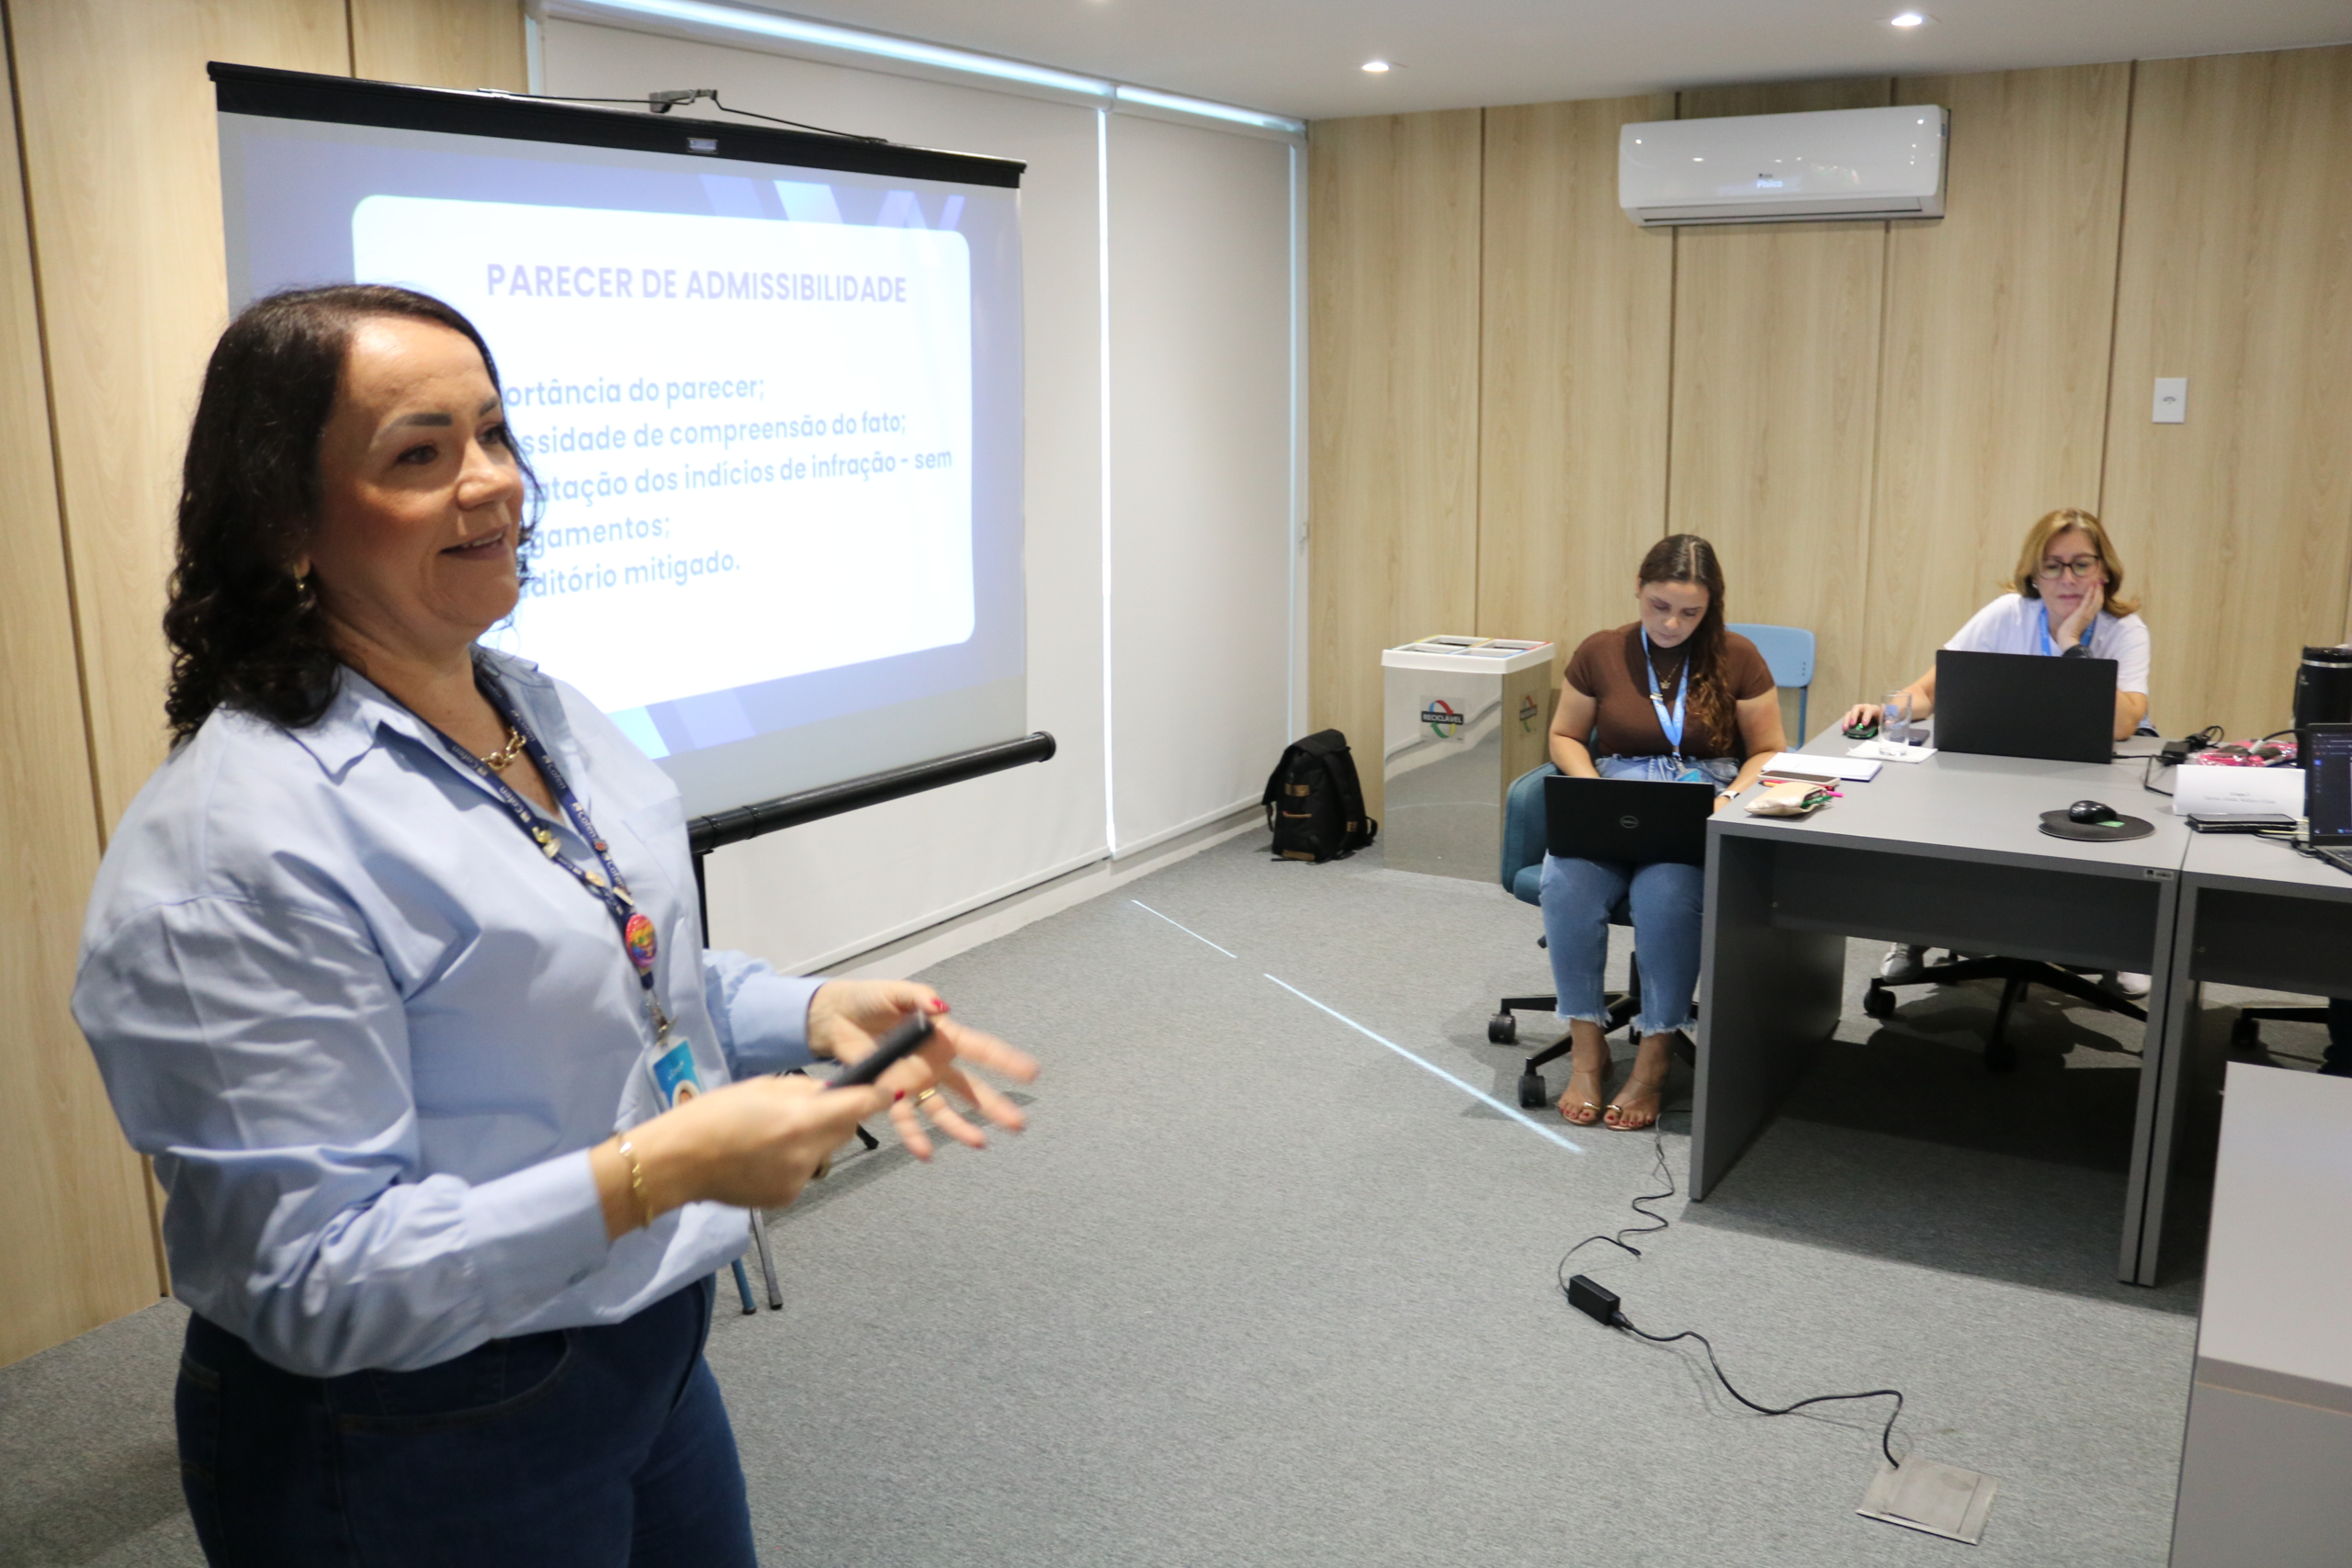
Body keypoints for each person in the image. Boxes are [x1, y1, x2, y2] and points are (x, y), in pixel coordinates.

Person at [71, 284, 1038, 1567]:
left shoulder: (534, 706)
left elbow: (603, 964)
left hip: (641, 1338)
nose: (492, 482)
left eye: (493, 432)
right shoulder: (238, 850)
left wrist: (803, 1009)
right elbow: (313, 1280)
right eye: (418, 455)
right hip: (408, 1423)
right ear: (286, 522)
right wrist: (661, 1169)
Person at [1839, 508, 2154, 993]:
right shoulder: (2008, 614)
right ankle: (1915, 933)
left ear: (2104, 571)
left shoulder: (2124, 629)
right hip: (1999, 768)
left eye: (2081, 564)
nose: (2067, 578)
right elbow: (1930, 690)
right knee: (1937, 809)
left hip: (2088, 778)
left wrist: (2071, 642)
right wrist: (1889, 710)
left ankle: (2112, 945)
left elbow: (2124, 723)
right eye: (2053, 565)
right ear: (2034, 573)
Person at [1541, 535, 1786, 1130]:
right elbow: (1565, 734)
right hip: (1615, 794)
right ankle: (1587, 1049)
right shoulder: (1601, 650)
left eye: (1690, 612)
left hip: (1698, 799)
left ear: (1711, 606)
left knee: (1668, 898)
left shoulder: (1738, 656)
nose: (1672, 623)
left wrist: (1728, 799)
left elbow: (1770, 750)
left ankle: (1654, 1058)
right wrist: (1591, 789)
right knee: (1565, 885)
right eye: (1660, 606)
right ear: (1638, 587)